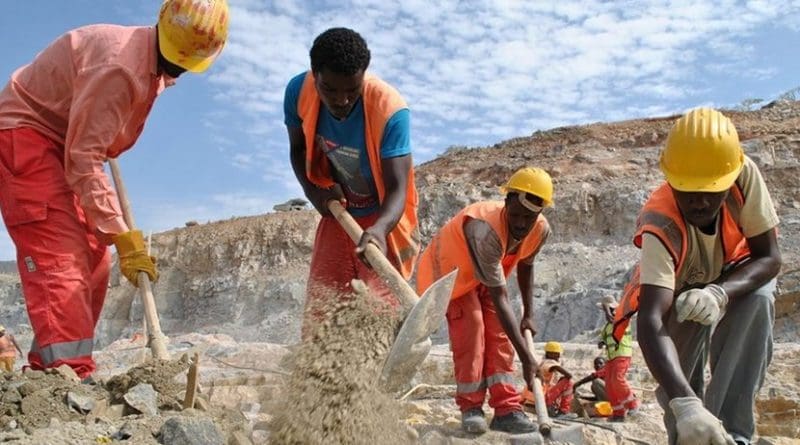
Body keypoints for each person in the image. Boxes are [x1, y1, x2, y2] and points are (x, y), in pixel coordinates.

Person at [0, 0, 229, 379]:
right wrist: (122, 234)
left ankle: (49, 371)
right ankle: (68, 373)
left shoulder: (150, 66)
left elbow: (88, 147)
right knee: (61, 258)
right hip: (27, 137)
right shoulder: (120, 68)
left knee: (94, 256)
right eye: (178, 60)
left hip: (62, 141)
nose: (181, 70)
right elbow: (85, 155)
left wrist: (111, 235)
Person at [613, 108, 781, 445]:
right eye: (688, 190)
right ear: (671, 178)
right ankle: (689, 434)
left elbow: (770, 258)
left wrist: (719, 293)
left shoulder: (743, 176)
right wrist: (686, 404)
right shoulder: (659, 223)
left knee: (759, 299)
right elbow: (651, 319)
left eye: (712, 190)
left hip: (736, 273)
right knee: (680, 379)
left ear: (729, 179)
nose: (700, 202)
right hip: (679, 289)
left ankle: (733, 434)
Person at [285, 28, 418, 332]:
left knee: (378, 309)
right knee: (323, 307)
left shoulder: (391, 110)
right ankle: (318, 373)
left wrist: (380, 230)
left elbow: (398, 187)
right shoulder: (297, 92)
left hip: (382, 215)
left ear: (363, 77)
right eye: (329, 89)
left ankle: (375, 371)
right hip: (337, 208)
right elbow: (297, 149)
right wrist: (313, 193)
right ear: (314, 74)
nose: (341, 100)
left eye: (352, 90)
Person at [416, 167, 554, 434]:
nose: (521, 224)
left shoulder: (540, 230)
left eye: (528, 217)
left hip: (485, 277)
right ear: (506, 202)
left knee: (500, 335)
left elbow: (526, 264)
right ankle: (471, 407)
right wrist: (528, 358)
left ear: (540, 212)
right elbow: (500, 296)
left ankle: (506, 409)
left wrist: (529, 313)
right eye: (515, 215)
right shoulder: (485, 228)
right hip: (451, 276)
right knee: (473, 329)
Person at [596, 294, 639, 421]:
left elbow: (612, 319)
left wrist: (606, 307)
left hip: (622, 354)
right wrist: (601, 342)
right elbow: (604, 338)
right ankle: (618, 413)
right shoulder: (606, 327)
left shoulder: (622, 318)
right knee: (609, 384)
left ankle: (632, 404)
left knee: (617, 379)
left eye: (607, 310)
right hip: (611, 357)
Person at [536, 341, 574, 417]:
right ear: (550, 354)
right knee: (569, 382)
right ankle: (563, 411)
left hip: (539, 395)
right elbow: (569, 375)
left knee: (563, 381)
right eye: (557, 353)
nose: (559, 356)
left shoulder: (543, 362)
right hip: (544, 397)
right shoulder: (550, 363)